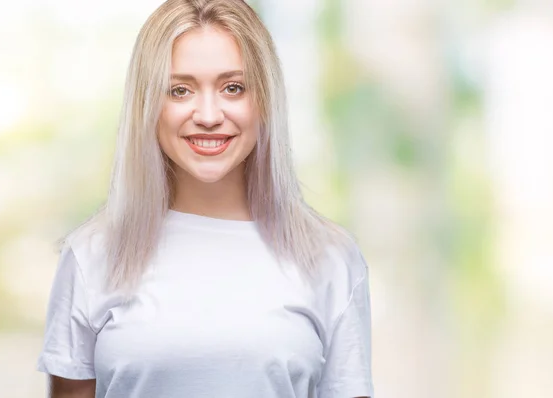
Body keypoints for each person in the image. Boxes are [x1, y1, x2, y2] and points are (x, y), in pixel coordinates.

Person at [36, 0, 374, 397]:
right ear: (148, 104)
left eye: (233, 87)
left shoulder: (329, 258)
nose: (209, 114)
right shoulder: (91, 255)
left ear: (264, 99)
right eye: (180, 90)